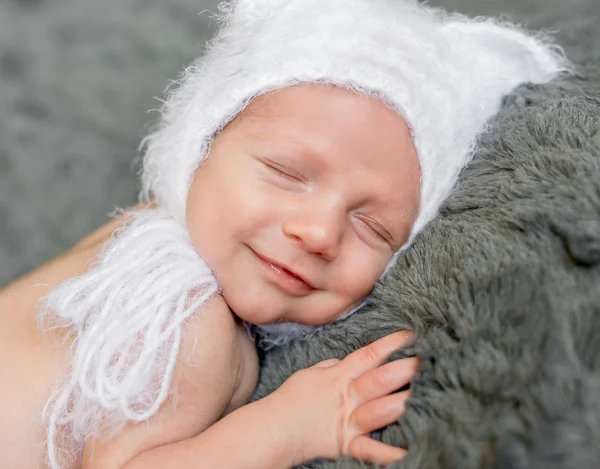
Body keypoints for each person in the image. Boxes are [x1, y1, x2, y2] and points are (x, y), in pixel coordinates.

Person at [0, 0, 571, 468]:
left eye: (373, 227)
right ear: (196, 148)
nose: (320, 232)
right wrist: (288, 427)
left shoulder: (130, 240)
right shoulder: (188, 318)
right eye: (287, 174)